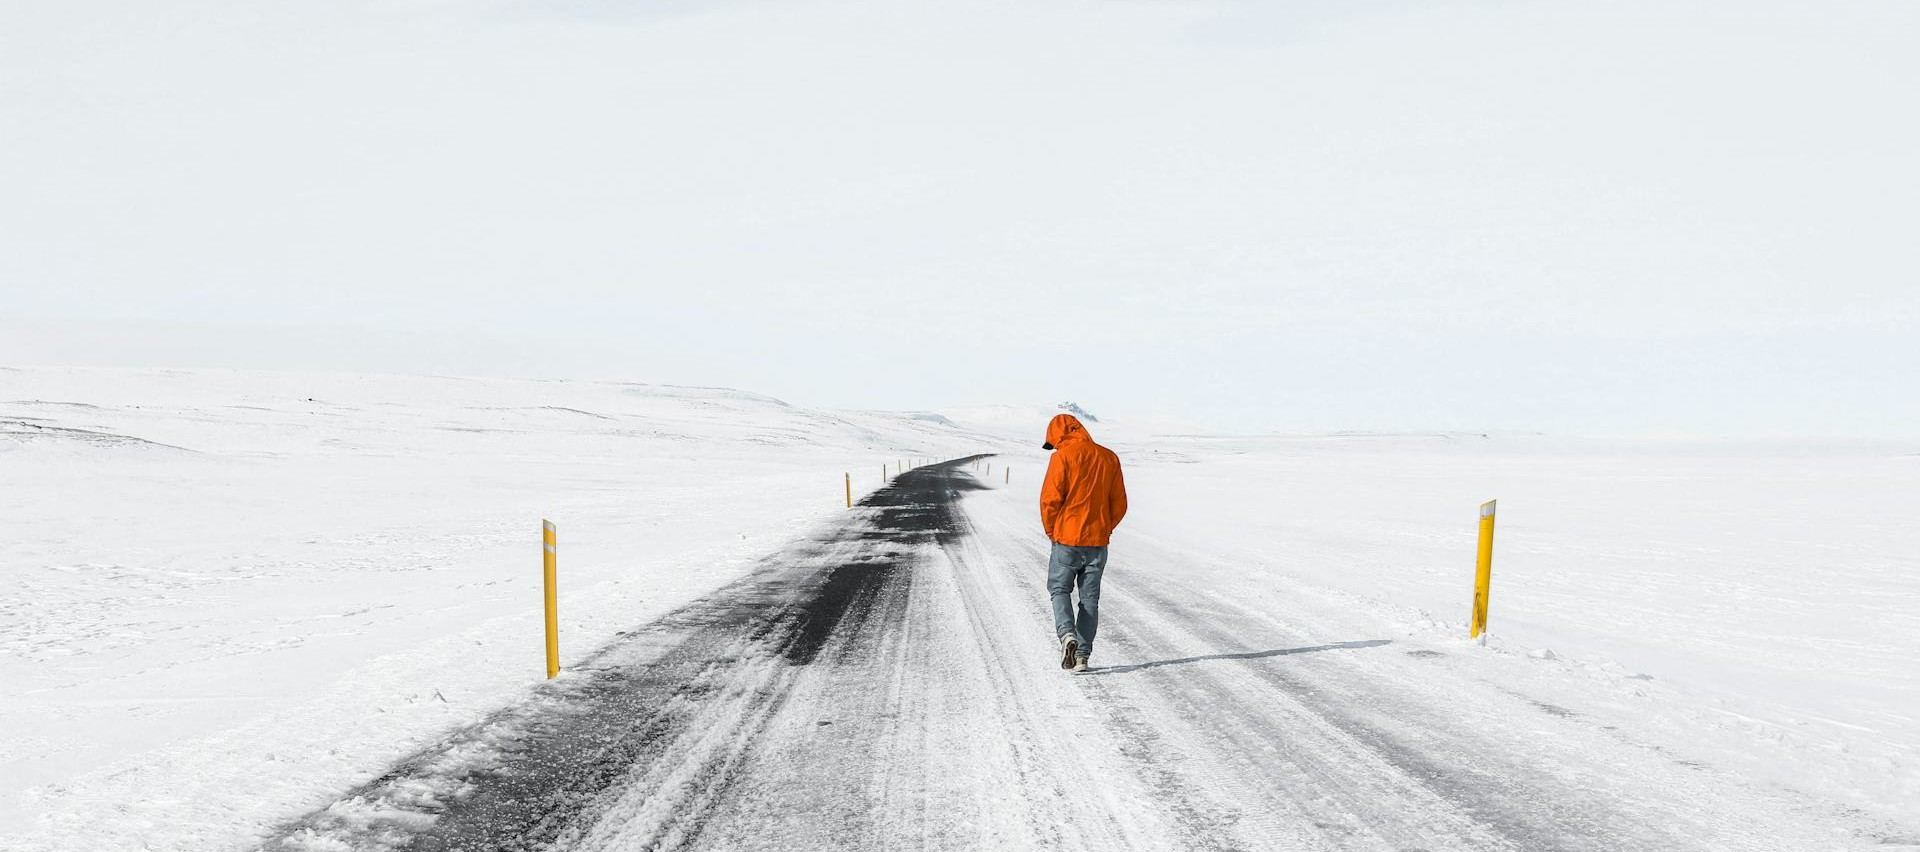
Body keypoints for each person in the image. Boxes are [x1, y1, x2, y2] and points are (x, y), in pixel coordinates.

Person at [1038, 413, 1127, 673]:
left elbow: (1050, 500)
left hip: (1067, 538)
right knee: (1089, 600)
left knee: (1059, 589)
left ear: (1058, 437)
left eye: (1053, 443)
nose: (1053, 448)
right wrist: (1104, 527)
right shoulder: (1108, 457)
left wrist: (1052, 531)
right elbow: (1119, 503)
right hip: (1097, 542)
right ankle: (1082, 658)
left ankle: (1067, 635)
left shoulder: (1062, 457)